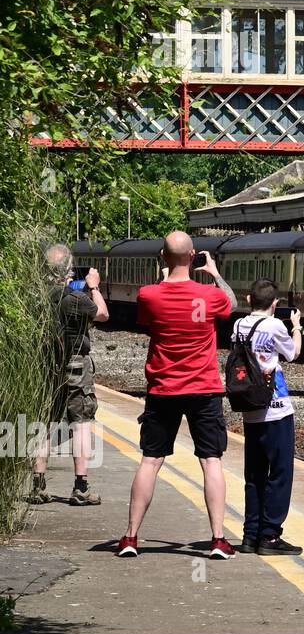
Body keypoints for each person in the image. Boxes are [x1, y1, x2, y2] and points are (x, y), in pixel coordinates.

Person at [116, 232, 236, 559]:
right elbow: (233, 304)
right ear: (194, 255)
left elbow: (148, 320)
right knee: (211, 461)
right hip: (204, 389)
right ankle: (217, 540)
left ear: (162, 256)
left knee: (151, 461)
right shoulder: (210, 295)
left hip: (163, 389)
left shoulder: (149, 295)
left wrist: (165, 271)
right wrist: (214, 274)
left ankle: (130, 537)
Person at [29, 244, 109, 506]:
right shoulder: (76, 298)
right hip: (76, 366)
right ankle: (81, 486)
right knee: (81, 422)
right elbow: (103, 314)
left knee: (46, 423)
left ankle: (38, 485)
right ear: (70, 271)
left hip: (46, 365)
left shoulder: (36, 300)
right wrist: (94, 287)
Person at [232, 279, 304, 556]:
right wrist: (296, 326)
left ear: (249, 300)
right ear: (275, 304)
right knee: (281, 472)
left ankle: (251, 535)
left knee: (255, 473)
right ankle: (271, 535)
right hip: (276, 408)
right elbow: (293, 353)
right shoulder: (275, 325)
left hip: (250, 407)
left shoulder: (238, 325)